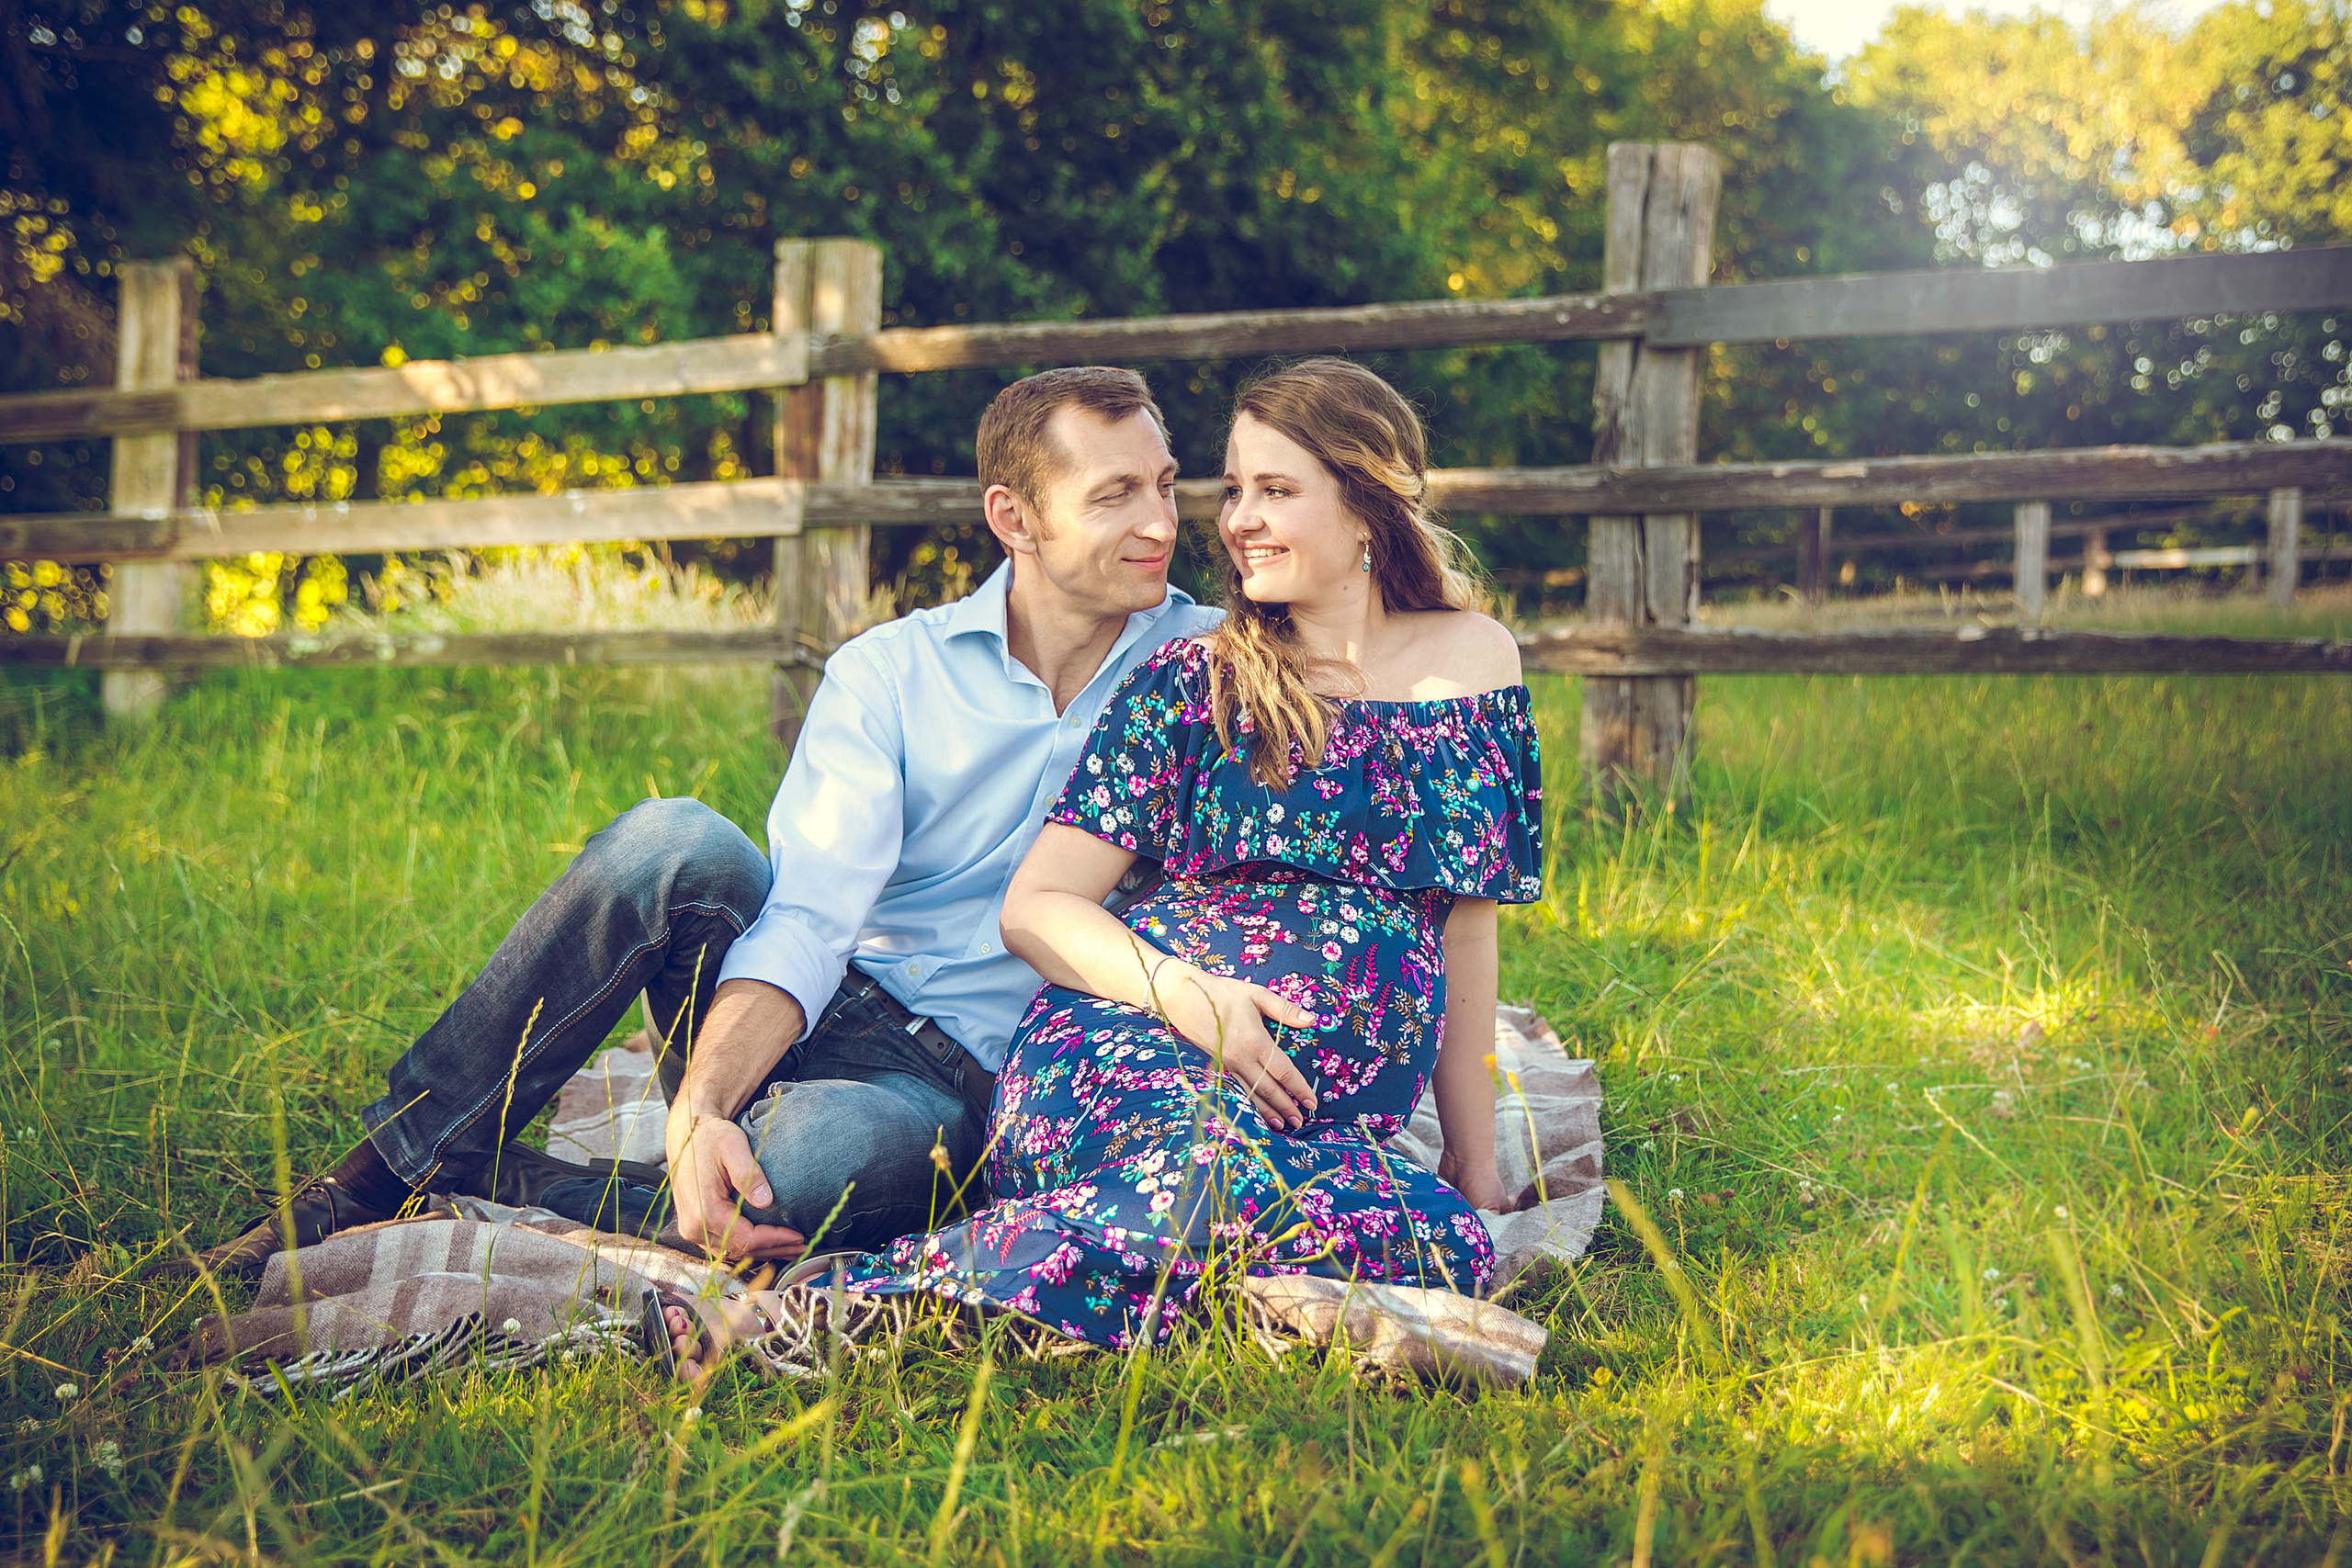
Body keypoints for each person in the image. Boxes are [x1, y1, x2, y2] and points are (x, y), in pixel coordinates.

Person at [191, 366, 1224, 1281]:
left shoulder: (1214, 668)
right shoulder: (891, 672)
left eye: (1167, 484)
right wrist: (702, 1102)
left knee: (814, 1163)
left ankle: (496, 1175)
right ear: (1014, 518)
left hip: (962, 1080)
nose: (1161, 523)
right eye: (1115, 495)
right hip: (824, 1000)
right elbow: (810, 915)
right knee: (669, 841)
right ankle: (376, 1173)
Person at [661, 356, 1542, 1366]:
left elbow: (1465, 927)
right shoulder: (1198, 674)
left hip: (1314, 1116)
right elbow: (1035, 905)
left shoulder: (1474, 662)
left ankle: (1119, 1266)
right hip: (1128, 1050)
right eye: (1235, 489)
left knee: (1442, 1239)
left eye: (1275, 489)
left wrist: (1474, 1161)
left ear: (1366, 504)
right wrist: (1190, 996)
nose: (1234, 520)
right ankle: (822, 1312)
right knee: (1207, 1180)